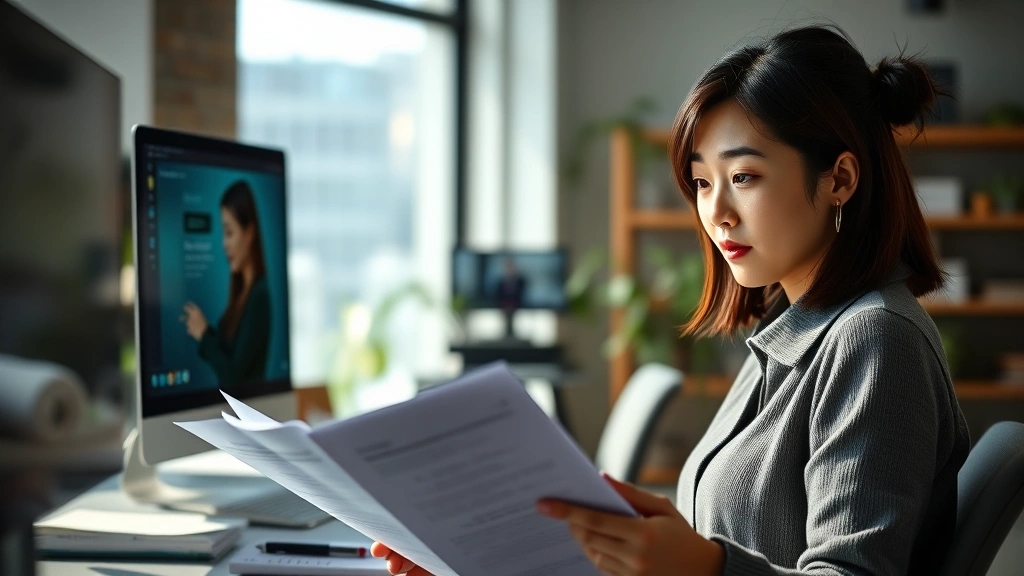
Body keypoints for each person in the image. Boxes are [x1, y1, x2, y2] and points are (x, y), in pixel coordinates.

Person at [370, 24, 970, 576]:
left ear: (839, 179)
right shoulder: (794, 325)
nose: (716, 213)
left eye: (744, 177)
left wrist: (707, 569)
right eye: (703, 182)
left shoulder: (875, 339)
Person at [181, 180, 271, 389]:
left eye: (229, 233)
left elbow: (234, 379)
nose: (224, 243)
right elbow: (228, 353)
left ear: (249, 233)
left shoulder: (259, 295)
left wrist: (204, 335)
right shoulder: (242, 293)